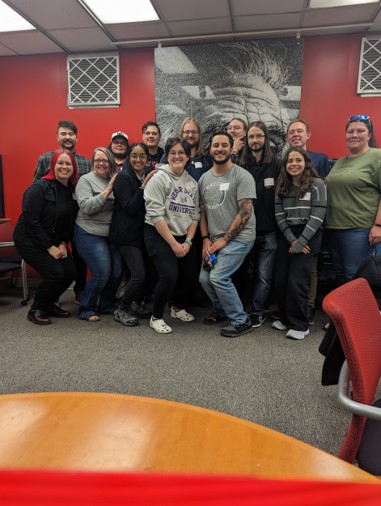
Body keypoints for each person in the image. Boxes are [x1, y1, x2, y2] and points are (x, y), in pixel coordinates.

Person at [199, 132, 256, 338]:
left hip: (239, 238)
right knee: (205, 278)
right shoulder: (204, 178)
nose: (219, 149)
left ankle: (241, 320)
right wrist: (206, 238)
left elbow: (245, 212)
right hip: (214, 239)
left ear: (231, 149)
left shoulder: (242, 175)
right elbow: (202, 211)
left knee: (219, 276)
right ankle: (222, 310)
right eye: (216, 145)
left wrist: (225, 239)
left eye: (224, 145)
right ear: (210, 149)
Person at [13, 149, 79, 325]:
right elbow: (30, 220)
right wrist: (49, 247)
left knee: (71, 272)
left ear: (74, 167)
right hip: (29, 239)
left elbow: (69, 222)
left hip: (55, 240)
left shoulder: (71, 191)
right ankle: (36, 308)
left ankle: (49, 304)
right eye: (60, 163)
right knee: (55, 273)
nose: (64, 167)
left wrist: (64, 244)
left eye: (68, 163)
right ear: (53, 166)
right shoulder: (39, 187)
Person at [144, 137, 200, 334]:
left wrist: (188, 241)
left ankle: (177, 308)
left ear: (188, 156)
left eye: (181, 153)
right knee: (169, 276)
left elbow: (195, 215)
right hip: (158, 233)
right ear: (167, 156)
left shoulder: (192, 183)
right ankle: (156, 317)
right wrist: (174, 245)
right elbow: (156, 215)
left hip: (183, 235)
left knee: (192, 275)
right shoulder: (158, 178)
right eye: (173, 153)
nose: (177, 156)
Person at [33, 119, 92, 304]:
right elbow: (36, 187)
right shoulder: (45, 159)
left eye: (71, 134)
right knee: (53, 255)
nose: (67, 137)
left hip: (78, 217)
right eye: (64, 133)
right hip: (54, 219)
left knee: (80, 255)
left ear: (76, 137)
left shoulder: (85, 162)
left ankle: (80, 289)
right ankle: (54, 293)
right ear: (57, 136)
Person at [272, 147, 327, 340]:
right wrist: (291, 240)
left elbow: (317, 216)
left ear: (306, 163)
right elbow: (279, 217)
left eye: (298, 160)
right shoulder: (281, 186)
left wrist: (301, 241)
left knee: (298, 280)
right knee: (280, 279)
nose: (293, 164)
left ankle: (300, 324)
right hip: (288, 235)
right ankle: (285, 318)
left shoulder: (317, 184)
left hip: (309, 234)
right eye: (289, 161)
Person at [325, 114, 381, 286]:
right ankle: (344, 313)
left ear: (369, 135)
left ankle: (360, 313)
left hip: (359, 230)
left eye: (360, 130)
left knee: (356, 278)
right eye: (350, 131)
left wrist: (379, 226)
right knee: (340, 276)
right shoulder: (341, 161)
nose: (354, 134)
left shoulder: (377, 156)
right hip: (333, 228)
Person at [286, 118, 331, 324]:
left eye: (300, 131)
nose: (296, 134)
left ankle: (308, 307)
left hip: (312, 223)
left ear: (307, 135)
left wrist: (305, 237)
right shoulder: (284, 159)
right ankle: (292, 308)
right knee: (291, 269)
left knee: (310, 268)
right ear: (287, 137)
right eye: (292, 132)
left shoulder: (321, 159)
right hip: (289, 223)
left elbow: (323, 191)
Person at [73, 147, 124, 321]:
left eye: (104, 160)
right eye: (97, 160)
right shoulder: (85, 180)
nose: (101, 163)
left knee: (117, 270)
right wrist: (107, 190)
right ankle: (86, 308)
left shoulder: (115, 179)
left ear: (110, 162)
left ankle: (106, 304)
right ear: (93, 162)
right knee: (102, 271)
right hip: (89, 231)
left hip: (111, 234)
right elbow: (87, 208)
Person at [109, 143, 153, 326]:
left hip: (141, 233)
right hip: (126, 235)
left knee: (150, 271)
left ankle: (135, 303)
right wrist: (144, 186)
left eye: (142, 156)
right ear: (129, 157)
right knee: (138, 275)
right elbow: (130, 207)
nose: (138, 159)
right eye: (134, 155)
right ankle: (122, 309)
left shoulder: (144, 175)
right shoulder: (123, 178)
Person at [243, 121, 282, 327]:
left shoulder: (277, 164)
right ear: (246, 140)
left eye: (259, 136)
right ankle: (242, 307)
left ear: (265, 139)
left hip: (269, 232)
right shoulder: (241, 165)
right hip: (244, 231)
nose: (255, 140)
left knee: (264, 276)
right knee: (243, 273)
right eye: (251, 137)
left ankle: (258, 311)